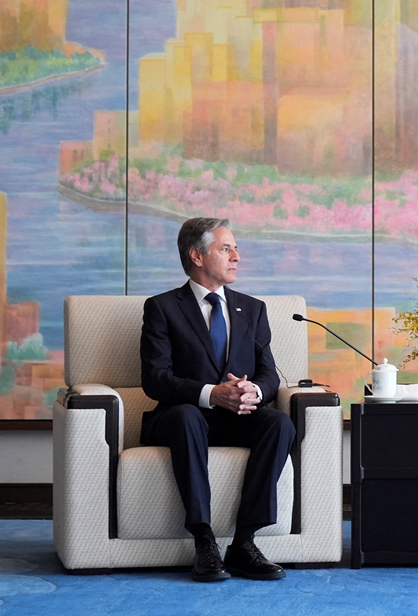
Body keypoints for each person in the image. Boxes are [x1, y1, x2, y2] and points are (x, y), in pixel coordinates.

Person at [140, 217, 295, 582]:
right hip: (181, 419)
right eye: (226, 248)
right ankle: (203, 540)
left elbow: (268, 372)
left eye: (235, 248)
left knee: (278, 423)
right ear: (196, 255)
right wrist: (212, 394)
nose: (236, 256)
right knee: (188, 417)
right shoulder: (162, 308)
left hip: (236, 417)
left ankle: (243, 543)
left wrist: (252, 392)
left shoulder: (252, 309)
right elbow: (154, 379)